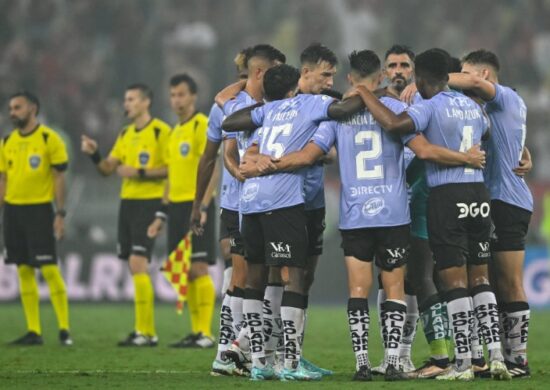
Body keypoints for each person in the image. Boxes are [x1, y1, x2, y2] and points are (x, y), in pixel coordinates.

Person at [241, 50, 485, 382]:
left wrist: (266, 164)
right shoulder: (398, 109)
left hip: (355, 213)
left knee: (358, 289)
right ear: (381, 77)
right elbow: (423, 152)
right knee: (394, 287)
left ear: (350, 80)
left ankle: (360, 365)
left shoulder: (335, 117)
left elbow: (309, 155)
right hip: (394, 212)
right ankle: (394, 362)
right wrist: (454, 162)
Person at [356, 49, 511, 381]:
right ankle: (495, 355)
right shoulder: (473, 105)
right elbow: (486, 134)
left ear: (421, 78)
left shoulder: (428, 105)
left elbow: (396, 124)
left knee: (452, 280)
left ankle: (463, 363)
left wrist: (365, 93)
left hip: (446, 194)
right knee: (481, 278)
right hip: (478, 194)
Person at [220, 63, 368, 381]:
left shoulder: (267, 111)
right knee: (295, 279)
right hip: (282, 201)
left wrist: (255, 149)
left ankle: (259, 363)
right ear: (297, 84)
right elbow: (340, 113)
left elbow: (232, 123)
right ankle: (290, 362)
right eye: (325, 77)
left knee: (254, 282)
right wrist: (368, 91)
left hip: (250, 201)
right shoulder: (316, 106)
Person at [447, 49, 533, 378]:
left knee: (510, 281)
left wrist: (430, 79)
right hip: (491, 199)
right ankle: (498, 355)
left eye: (467, 75)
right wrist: (526, 152)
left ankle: (519, 358)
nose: (462, 82)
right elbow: (511, 140)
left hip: (507, 202)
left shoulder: (506, 97)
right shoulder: (491, 108)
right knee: (491, 283)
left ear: (483, 76)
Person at [81, 84, 170, 346]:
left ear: (146, 102)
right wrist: (94, 154)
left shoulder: (160, 131)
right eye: (125, 99)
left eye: (131, 99)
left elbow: (171, 169)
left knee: (138, 262)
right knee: (134, 265)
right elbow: (108, 169)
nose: (126, 104)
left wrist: (140, 173)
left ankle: (147, 332)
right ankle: (142, 329)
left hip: (149, 202)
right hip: (127, 204)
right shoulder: (125, 133)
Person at [147, 74, 218, 348]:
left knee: (200, 268)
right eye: (173, 94)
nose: (176, 99)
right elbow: (170, 177)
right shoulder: (173, 132)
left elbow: (213, 166)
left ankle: (206, 333)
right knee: (186, 270)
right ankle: (196, 331)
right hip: (175, 208)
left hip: (195, 206)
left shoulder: (202, 125)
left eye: (181, 94)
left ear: (193, 97)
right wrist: (161, 214)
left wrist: (203, 204)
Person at [2, 91, 72, 346]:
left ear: (33, 108)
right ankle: (34, 331)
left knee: (50, 269)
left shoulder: (48, 138)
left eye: (17, 107)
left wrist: (60, 213)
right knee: (23, 269)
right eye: (11, 108)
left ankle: (64, 329)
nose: (12, 112)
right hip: (13, 211)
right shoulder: (7, 141)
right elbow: (3, 179)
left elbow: (59, 177)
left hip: (40, 211)